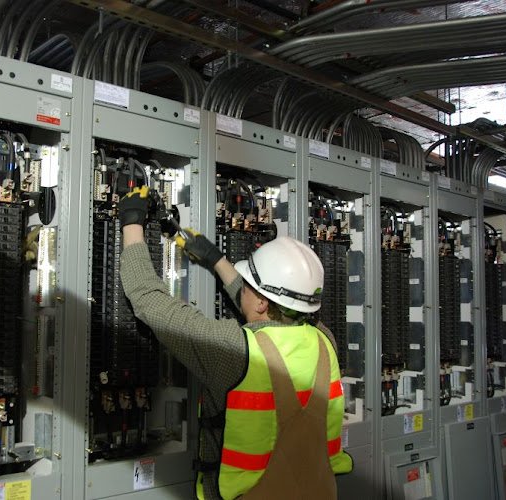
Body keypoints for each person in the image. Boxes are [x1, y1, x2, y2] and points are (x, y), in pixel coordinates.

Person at [118, 187, 352, 500]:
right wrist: (216, 260)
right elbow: (268, 310)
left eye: (249, 285)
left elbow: (149, 299)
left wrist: (132, 222)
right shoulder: (324, 340)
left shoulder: (236, 351)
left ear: (262, 302)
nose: (244, 288)